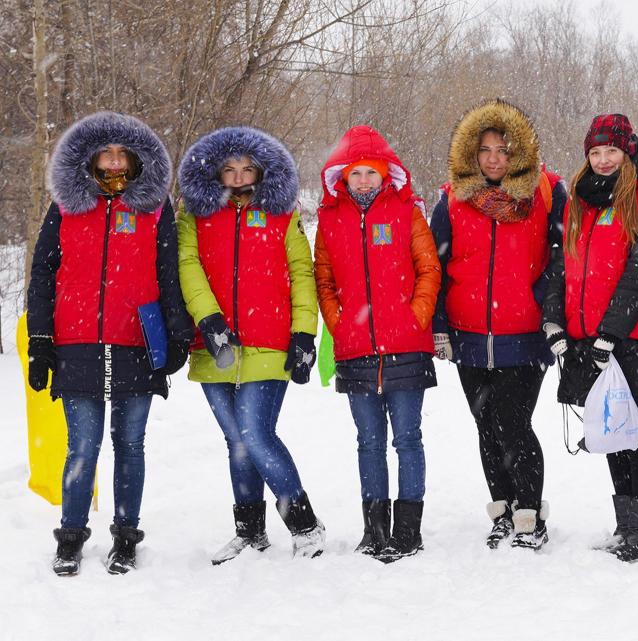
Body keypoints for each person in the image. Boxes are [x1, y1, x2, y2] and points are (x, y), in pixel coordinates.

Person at [27, 111, 192, 576]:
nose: (115, 161)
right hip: (75, 341)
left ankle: (125, 536)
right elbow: (42, 274)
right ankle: (71, 536)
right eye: (107, 152)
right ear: (92, 157)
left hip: (134, 341)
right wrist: (41, 340)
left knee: (130, 445)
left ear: (136, 158)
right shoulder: (65, 206)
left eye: (123, 153)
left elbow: (168, 275)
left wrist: (178, 333)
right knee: (81, 447)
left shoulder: (156, 208)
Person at [177, 126, 325, 563]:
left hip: (270, 341)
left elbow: (302, 273)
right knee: (237, 442)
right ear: (215, 172)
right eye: (229, 169)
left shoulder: (282, 214)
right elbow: (187, 265)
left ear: (262, 171)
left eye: (247, 168)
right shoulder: (194, 215)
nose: (239, 177)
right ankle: (250, 531)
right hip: (214, 342)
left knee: (255, 434)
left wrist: (304, 333)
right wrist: (208, 319)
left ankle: (305, 525)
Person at [430, 99, 565, 551]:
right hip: (469, 336)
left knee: (515, 424)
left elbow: (564, 258)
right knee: (485, 425)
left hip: (524, 333)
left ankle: (531, 513)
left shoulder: (545, 192)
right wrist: (440, 324)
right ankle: (502, 509)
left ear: (518, 153)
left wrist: (546, 307)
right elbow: (434, 264)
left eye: (503, 150)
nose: (493, 158)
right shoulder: (452, 198)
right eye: (485, 149)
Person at [541, 114, 638, 563]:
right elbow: (561, 263)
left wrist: (611, 334)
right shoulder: (579, 200)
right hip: (583, 335)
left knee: (635, 429)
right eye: (595, 153)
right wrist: (553, 320)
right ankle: (626, 524)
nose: (603, 159)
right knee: (609, 429)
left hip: (628, 337)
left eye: (611, 150)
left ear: (628, 151)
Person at [314, 125, 440, 563]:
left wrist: (416, 315)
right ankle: (375, 530)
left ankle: (408, 530)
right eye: (356, 174)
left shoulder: (408, 212)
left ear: (385, 174)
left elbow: (429, 269)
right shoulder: (330, 219)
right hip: (356, 348)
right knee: (368, 442)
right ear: (343, 178)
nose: (364, 181)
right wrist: (339, 322)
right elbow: (324, 279)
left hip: (406, 345)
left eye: (371, 173)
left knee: (407, 439)